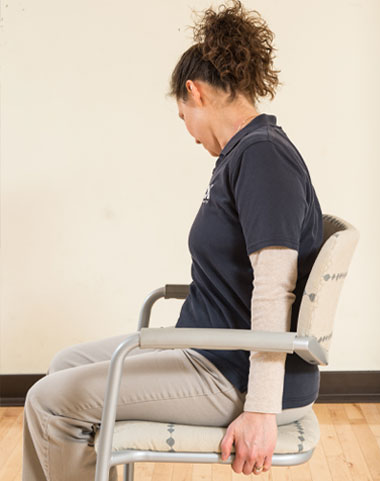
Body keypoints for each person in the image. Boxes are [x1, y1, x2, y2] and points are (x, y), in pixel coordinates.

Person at [22, 1, 323, 479]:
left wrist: (262, 410)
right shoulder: (240, 155)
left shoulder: (263, 157)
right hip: (210, 350)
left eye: (182, 116)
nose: (187, 131)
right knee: (63, 364)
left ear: (194, 92)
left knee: (49, 402)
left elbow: (274, 289)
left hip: (228, 373)